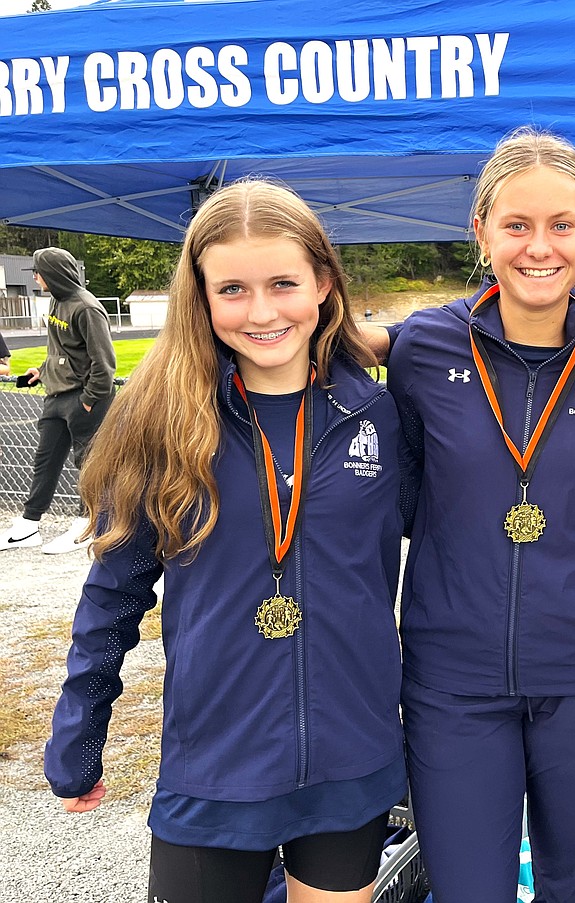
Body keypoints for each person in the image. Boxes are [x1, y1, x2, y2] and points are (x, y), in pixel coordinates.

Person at [44, 180, 406, 903]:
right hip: (215, 762)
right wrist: (79, 735)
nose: (263, 311)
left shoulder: (380, 413)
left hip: (350, 759)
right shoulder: (164, 422)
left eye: (283, 283)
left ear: (324, 283)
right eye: (233, 289)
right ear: (200, 297)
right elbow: (113, 594)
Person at [384, 129, 575, 902]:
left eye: (562, 225)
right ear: (480, 231)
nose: (540, 248)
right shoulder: (423, 349)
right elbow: (407, 498)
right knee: (470, 888)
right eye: (517, 225)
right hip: (453, 676)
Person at [1, 247, 116, 553]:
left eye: (38, 272)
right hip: (56, 396)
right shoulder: (56, 301)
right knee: (45, 460)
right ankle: (28, 525)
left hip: (85, 399)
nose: (36, 277)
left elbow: (103, 364)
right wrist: (41, 370)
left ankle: (89, 523)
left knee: (89, 464)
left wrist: (89, 400)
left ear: (53, 273)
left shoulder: (87, 308)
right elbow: (63, 351)